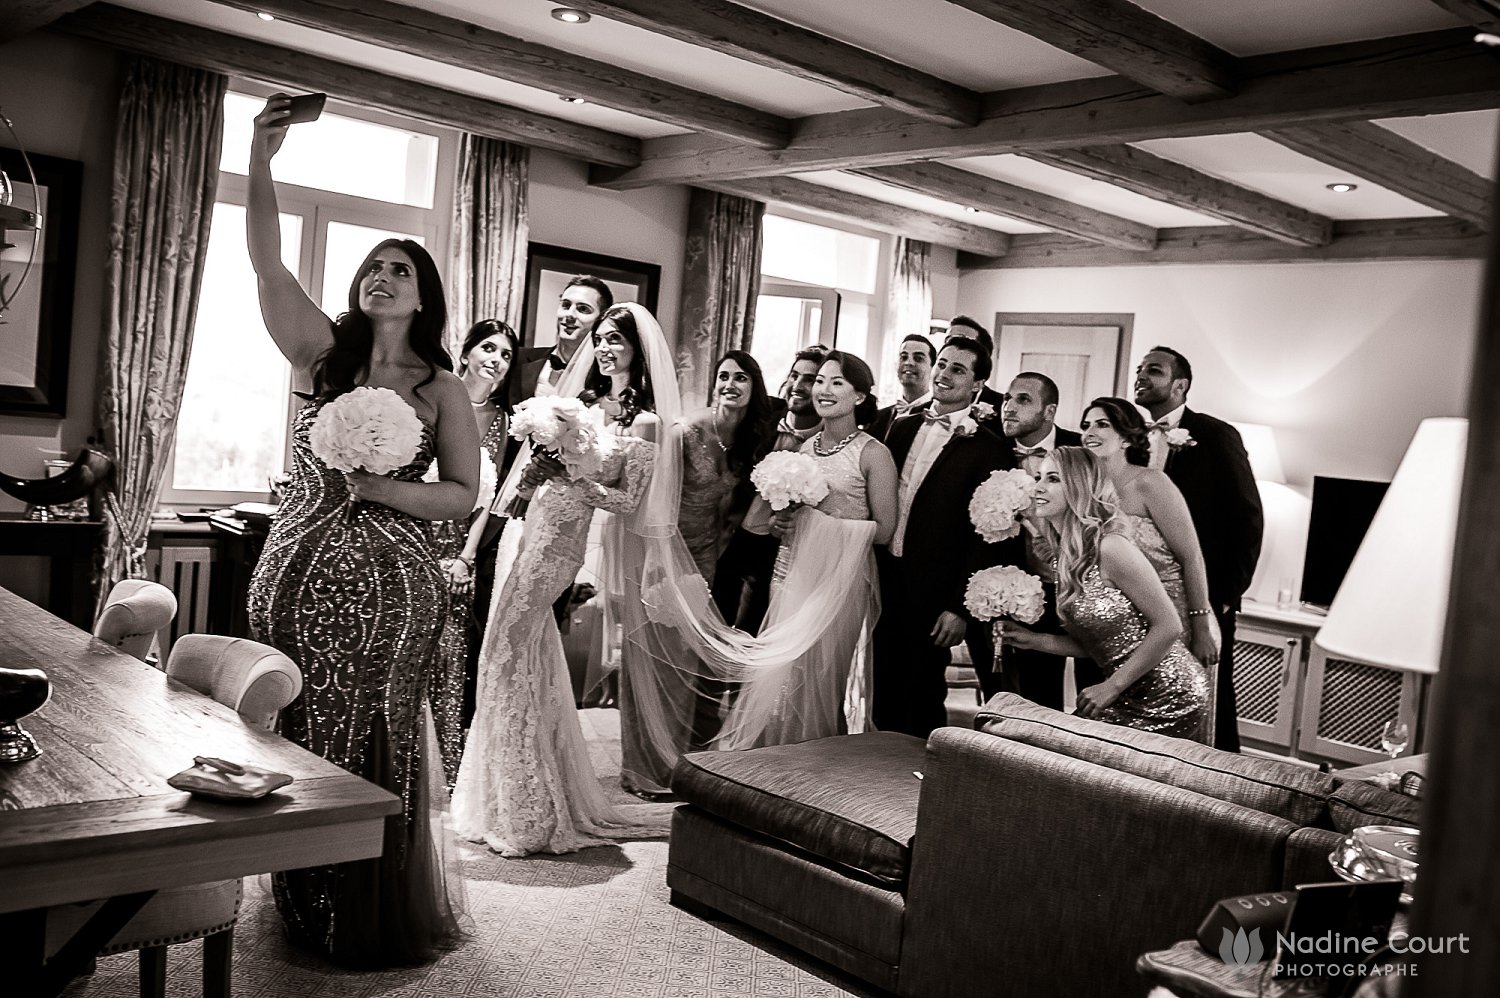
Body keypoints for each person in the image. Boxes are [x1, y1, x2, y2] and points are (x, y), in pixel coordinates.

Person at [243, 96, 475, 966]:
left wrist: (380, 487)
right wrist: (260, 161)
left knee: (373, 729)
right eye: (372, 267)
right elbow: (266, 266)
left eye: (399, 271)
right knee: (295, 725)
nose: (381, 278)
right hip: (295, 571)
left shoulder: (442, 388)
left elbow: (461, 495)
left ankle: (365, 908)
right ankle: (298, 898)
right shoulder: (318, 353)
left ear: (424, 296)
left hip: (393, 591)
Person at [452, 303, 676, 852]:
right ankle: (510, 794)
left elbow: (629, 501)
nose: (603, 349)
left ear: (637, 351)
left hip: (563, 548)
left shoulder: (644, 421)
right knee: (527, 657)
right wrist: (536, 476)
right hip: (529, 534)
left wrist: (576, 479)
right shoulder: (581, 405)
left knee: (502, 652)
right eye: (600, 339)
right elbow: (529, 482)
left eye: (615, 340)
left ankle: (527, 804)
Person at [714, 351, 899, 748]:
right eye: (820, 382)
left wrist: (815, 524)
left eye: (837, 383)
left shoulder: (873, 454)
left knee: (820, 677)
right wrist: (781, 523)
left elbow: (884, 531)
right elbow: (766, 522)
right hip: (791, 571)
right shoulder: (803, 449)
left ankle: (811, 763)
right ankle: (770, 762)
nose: (823, 390)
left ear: (861, 396)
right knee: (779, 673)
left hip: (841, 580)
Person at [1005, 448, 1209, 739]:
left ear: (1079, 487)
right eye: (1039, 477)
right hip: (1122, 687)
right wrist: (1034, 640)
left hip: (1168, 692)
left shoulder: (1112, 547)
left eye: (1052, 479)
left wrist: (1111, 686)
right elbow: (1102, 644)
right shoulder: (1065, 556)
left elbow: (1169, 626)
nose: (1037, 487)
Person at [874, 337, 1007, 738]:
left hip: (937, 589)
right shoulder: (901, 427)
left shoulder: (989, 449)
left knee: (922, 689)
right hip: (886, 575)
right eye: (943, 364)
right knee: (883, 681)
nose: (944, 374)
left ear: (977, 385)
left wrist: (959, 608)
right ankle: (872, 770)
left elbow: (988, 536)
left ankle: (915, 777)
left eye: (958, 369)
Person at [1135, 347, 1263, 751]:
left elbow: (1247, 519)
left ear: (1180, 385)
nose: (1140, 375)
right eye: (1140, 369)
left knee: (1207, 700)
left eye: (1152, 370)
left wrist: (1222, 598)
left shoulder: (1215, 435)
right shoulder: (1131, 440)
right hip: (1141, 592)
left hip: (1201, 593)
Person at [430, 319, 519, 782]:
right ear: (465, 353)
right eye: (488, 348)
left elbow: (490, 497)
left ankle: (447, 759)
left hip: (464, 544)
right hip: (417, 533)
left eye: (505, 355)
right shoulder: (435, 396)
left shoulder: (502, 422)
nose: (496, 361)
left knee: (453, 649)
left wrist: (465, 556)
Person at [710, 345, 830, 633]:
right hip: (729, 541)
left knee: (752, 636)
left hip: (776, 556)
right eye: (794, 376)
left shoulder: (826, 444)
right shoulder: (763, 415)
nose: (798, 386)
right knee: (713, 630)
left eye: (810, 379)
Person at [987, 371, 1083, 706]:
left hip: (1076, 586)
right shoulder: (989, 450)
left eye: (1023, 399)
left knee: (1091, 688)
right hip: (1015, 589)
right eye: (1007, 399)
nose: (1009, 407)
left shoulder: (1079, 450)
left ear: (1049, 411)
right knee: (1023, 696)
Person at [677, 350, 777, 579]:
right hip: (671, 538)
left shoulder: (754, 438)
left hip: (707, 546)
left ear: (755, 387)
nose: (730, 384)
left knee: (697, 608)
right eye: (723, 377)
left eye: (740, 378)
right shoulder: (688, 430)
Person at [510, 275, 613, 405]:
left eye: (583, 309)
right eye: (566, 305)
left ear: (601, 319)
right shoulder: (520, 359)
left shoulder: (607, 378)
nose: (570, 314)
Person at [865, 333, 934, 440]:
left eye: (918, 358)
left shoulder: (936, 417)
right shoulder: (879, 417)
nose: (909, 362)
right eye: (904, 357)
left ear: (933, 368)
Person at [946, 315, 1006, 409]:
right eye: (948, 340)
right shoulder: (925, 406)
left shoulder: (1001, 406)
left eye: (962, 342)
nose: (952, 347)